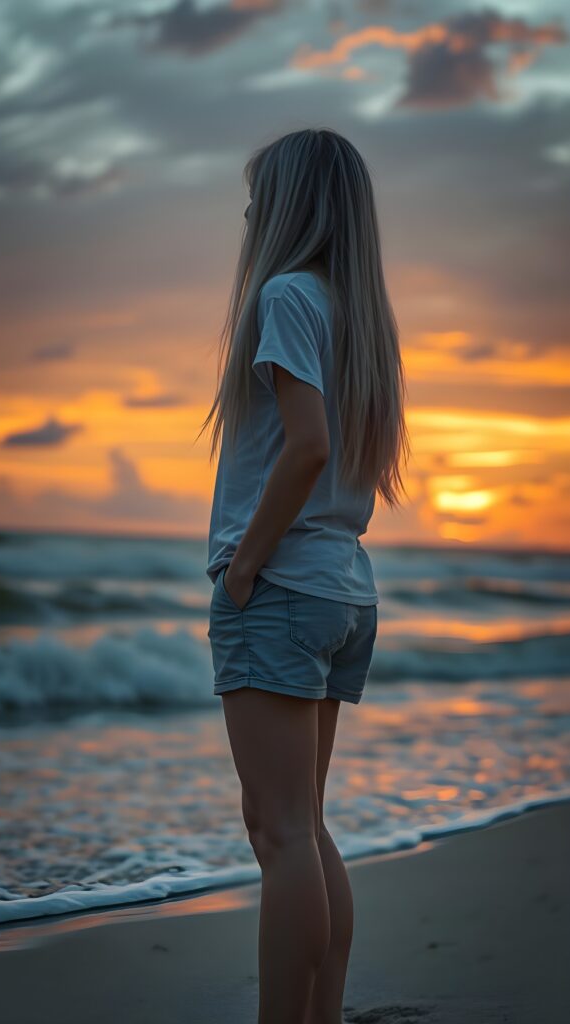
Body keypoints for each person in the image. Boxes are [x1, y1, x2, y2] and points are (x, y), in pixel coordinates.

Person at [198, 127, 410, 1024]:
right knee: (306, 827)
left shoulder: (285, 295)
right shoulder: (357, 315)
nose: (246, 215)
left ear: (286, 207)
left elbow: (308, 447)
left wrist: (243, 564)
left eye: (256, 199)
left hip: (281, 587)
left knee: (278, 833)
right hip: (340, 588)